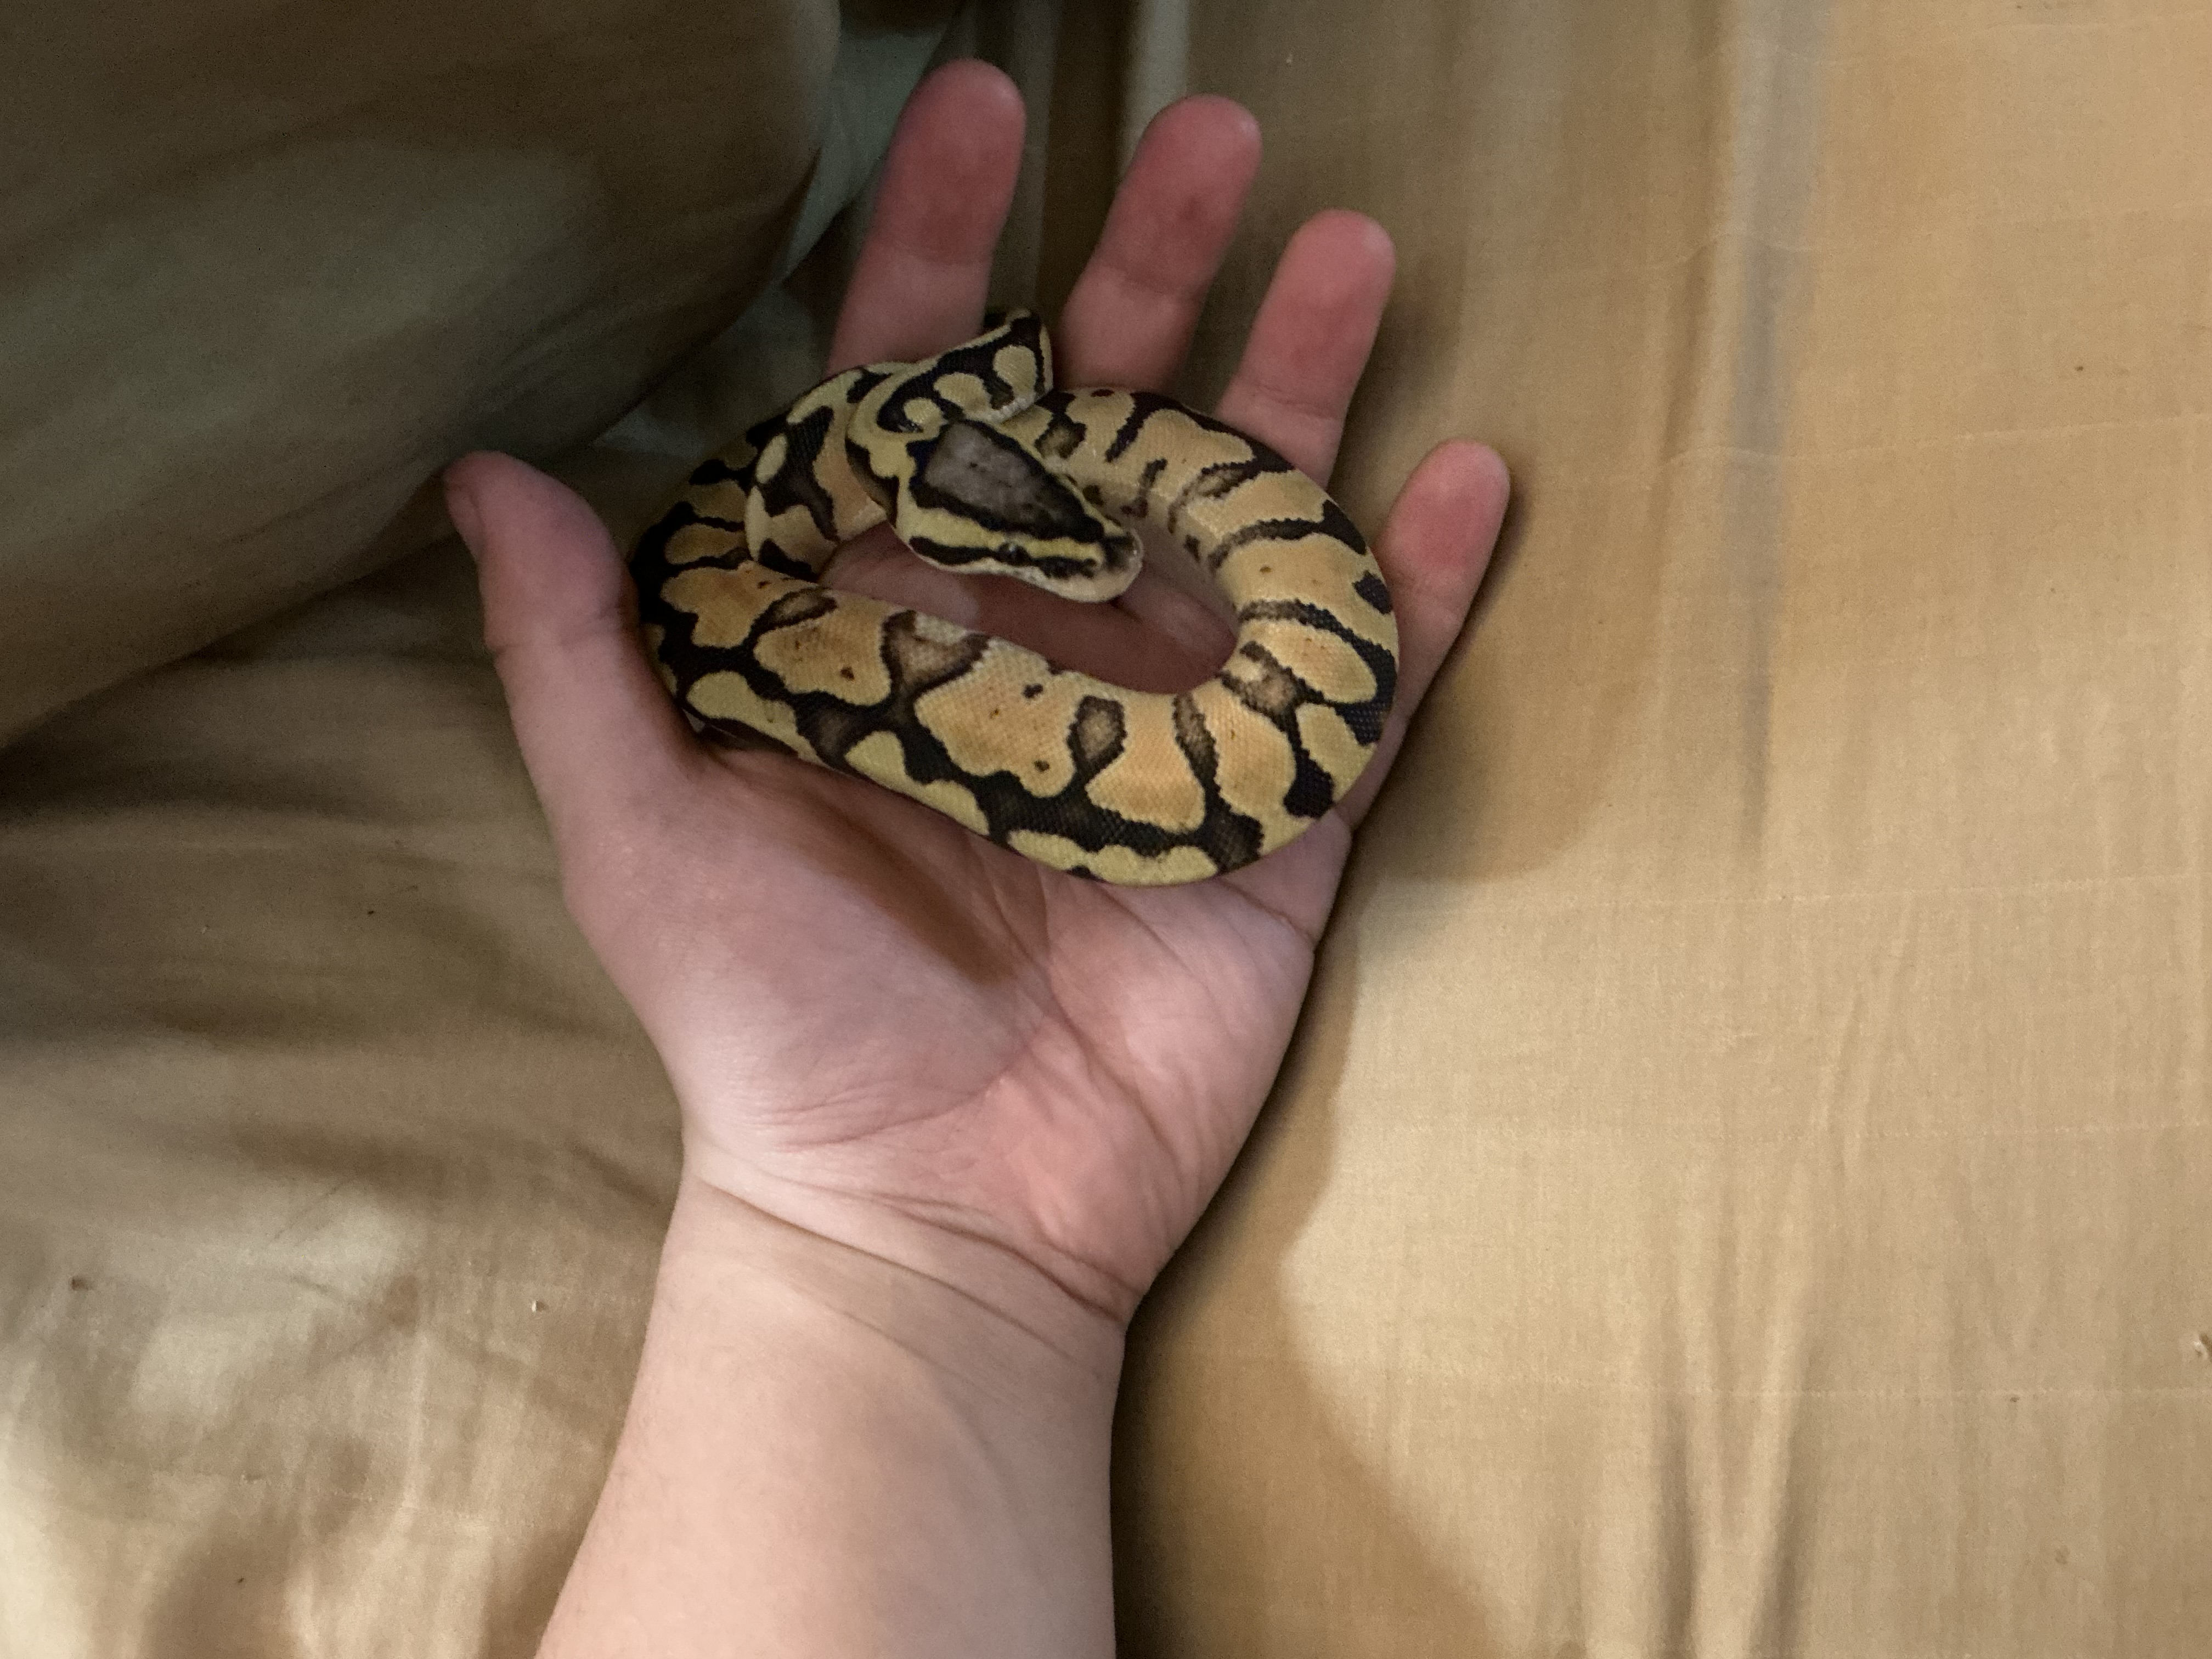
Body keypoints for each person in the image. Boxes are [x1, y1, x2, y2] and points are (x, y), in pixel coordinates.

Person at [442, 58, 1509, 1659]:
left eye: (1070, 523)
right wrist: (900, 1225)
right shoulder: (860, 516)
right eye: (1036, 546)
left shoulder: (901, 482)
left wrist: (892, 1240)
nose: (1098, 564)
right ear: (919, 520)